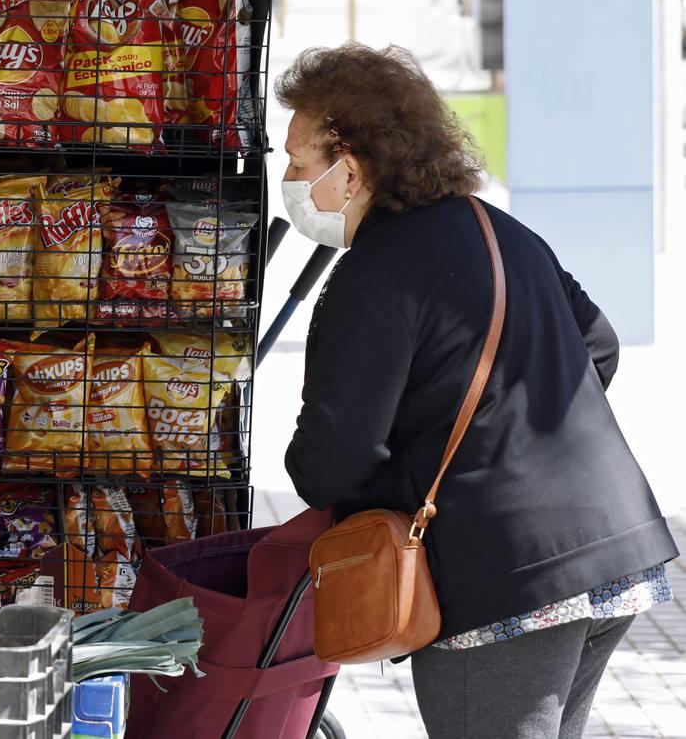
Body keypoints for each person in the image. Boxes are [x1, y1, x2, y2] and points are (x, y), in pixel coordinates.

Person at [278, 44, 677, 739]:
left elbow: (331, 460)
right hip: (615, 550)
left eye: (298, 161)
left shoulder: (372, 276)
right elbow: (599, 347)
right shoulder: (503, 233)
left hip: (504, 578)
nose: (288, 177)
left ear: (353, 165)